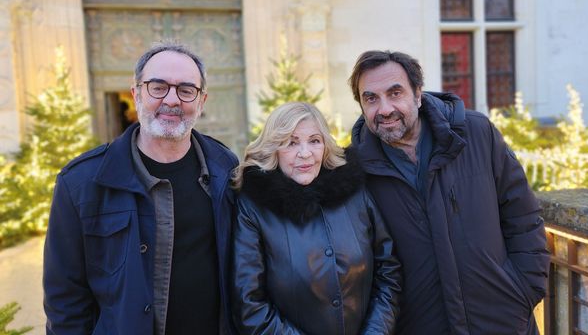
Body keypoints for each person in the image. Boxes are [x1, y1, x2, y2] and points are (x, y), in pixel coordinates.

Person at [43, 41, 238, 335]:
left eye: (186, 90)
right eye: (158, 87)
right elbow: (65, 300)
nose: (172, 100)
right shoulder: (80, 183)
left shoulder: (225, 167)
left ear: (202, 101)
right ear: (136, 94)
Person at [348, 50, 550, 335]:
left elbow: (523, 216)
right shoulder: (355, 171)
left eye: (395, 93)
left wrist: (524, 291)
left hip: (503, 322)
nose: (384, 109)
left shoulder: (476, 133)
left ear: (418, 94)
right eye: (371, 98)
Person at [231, 102, 402, 335]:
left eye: (314, 140)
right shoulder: (253, 209)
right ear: (274, 148)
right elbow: (250, 305)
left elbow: (388, 271)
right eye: (291, 143)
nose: (305, 153)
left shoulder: (354, 193)